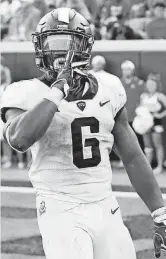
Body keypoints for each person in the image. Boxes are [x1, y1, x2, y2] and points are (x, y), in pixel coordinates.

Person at [1, 7, 166, 259]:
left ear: (84, 47)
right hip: (60, 208)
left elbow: (132, 156)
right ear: (39, 47)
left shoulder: (109, 87)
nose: (59, 52)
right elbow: (18, 139)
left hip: (105, 204)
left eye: (69, 43)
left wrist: (160, 212)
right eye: (52, 43)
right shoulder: (25, 92)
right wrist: (56, 91)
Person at [140, 73, 166, 174]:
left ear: (156, 85)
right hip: (146, 124)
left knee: (158, 145)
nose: (150, 87)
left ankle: (159, 166)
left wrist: (160, 115)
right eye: (149, 85)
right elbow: (141, 108)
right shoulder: (144, 96)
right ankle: (148, 165)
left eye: (152, 85)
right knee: (148, 146)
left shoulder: (160, 96)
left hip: (156, 123)